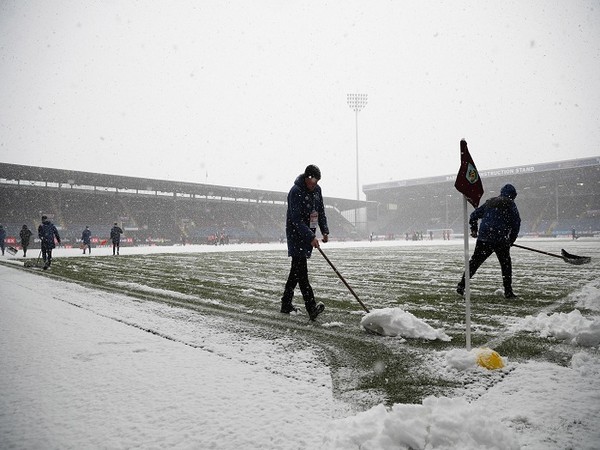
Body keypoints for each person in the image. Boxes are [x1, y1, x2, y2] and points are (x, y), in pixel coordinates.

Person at [280, 164, 330, 321]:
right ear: (307, 177)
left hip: (309, 235)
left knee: (295, 273)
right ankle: (311, 308)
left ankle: (285, 304)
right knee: (302, 275)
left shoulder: (317, 190)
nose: (314, 184)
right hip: (297, 236)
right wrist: (310, 237)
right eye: (313, 181)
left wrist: (325, 231)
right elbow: (296, 219)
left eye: (316, 182)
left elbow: (320, 211)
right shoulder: (295, 192)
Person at [457, 184, 521, 299]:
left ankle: (461, 285)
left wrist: (474, 229)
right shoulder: (510, 204)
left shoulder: (490, 202)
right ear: (513, 195)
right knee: (506, 265)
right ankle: (508, 291)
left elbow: (473, 215)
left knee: (474, 263)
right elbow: (516, 223)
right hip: (500, 240)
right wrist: (511, 240)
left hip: (484, 238)